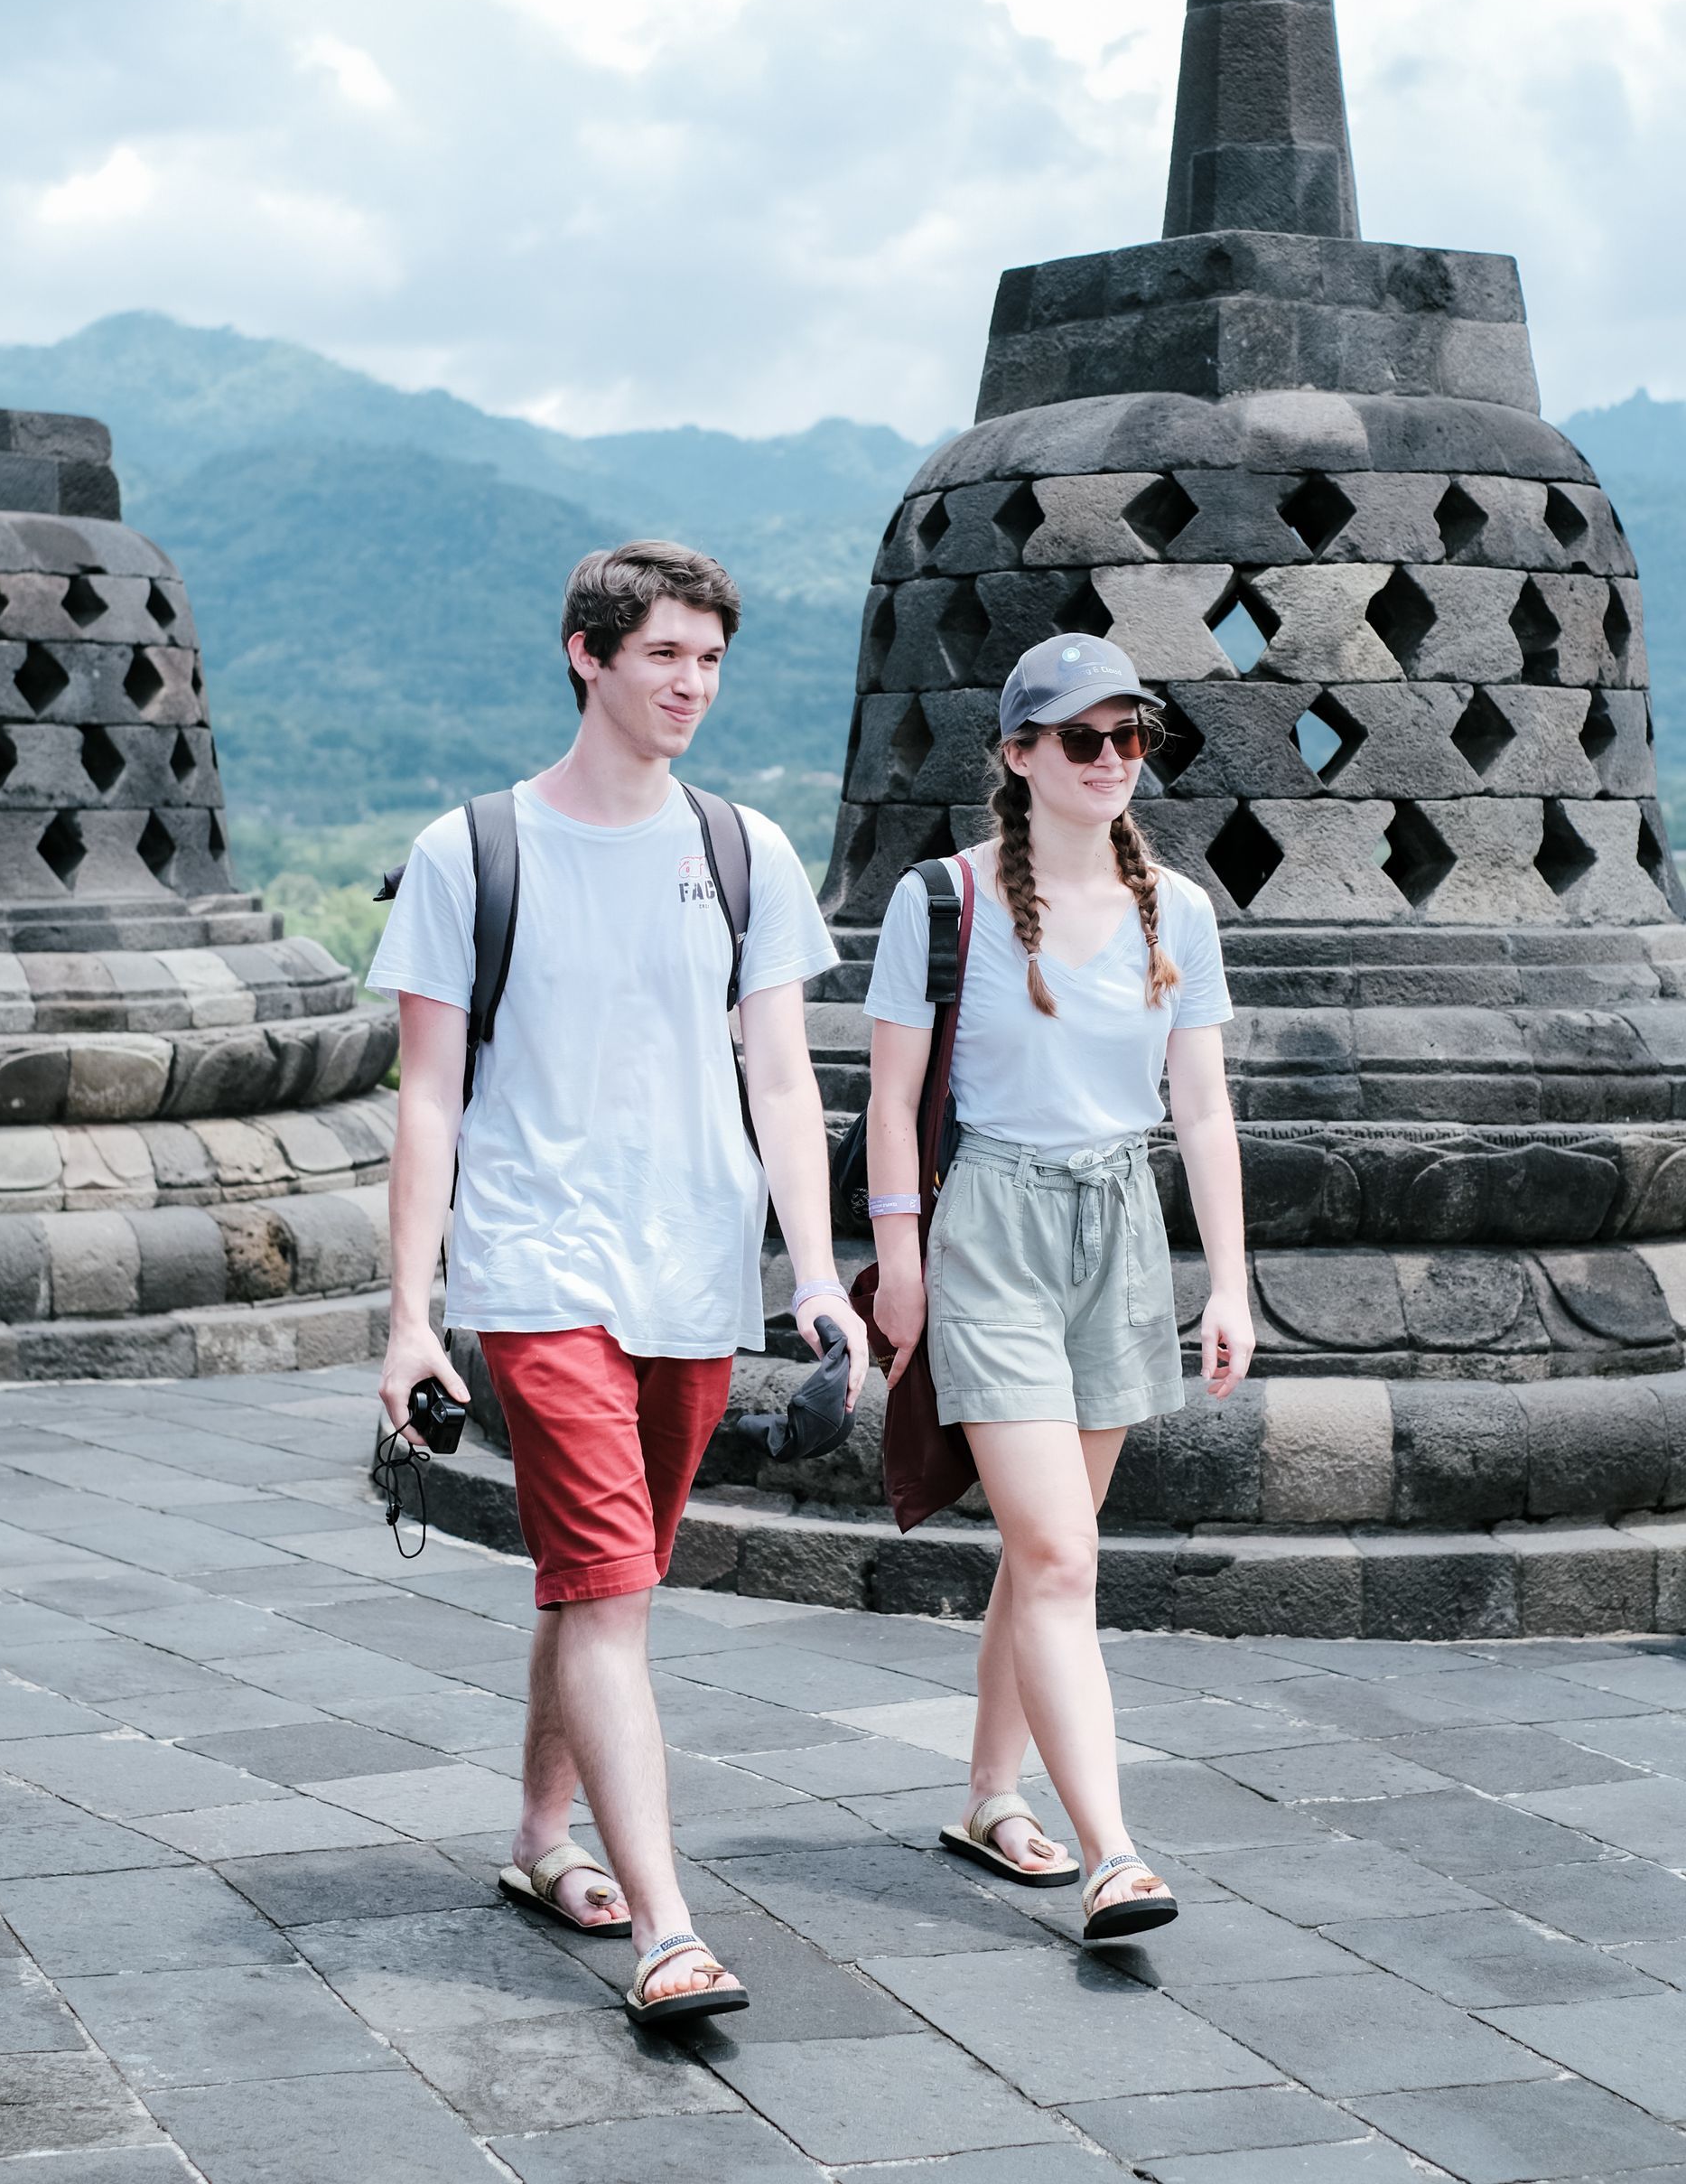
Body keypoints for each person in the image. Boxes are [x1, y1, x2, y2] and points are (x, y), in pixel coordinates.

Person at [371, 539, 866, 2030]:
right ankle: (667, 1929)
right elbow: (428, 1103)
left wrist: (820, 1276)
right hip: (536, 1270)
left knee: (605, 1586)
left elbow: (782, 1078)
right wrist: (409, 1315)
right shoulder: (474, 853)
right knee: (613, 1592)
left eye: (710, 660)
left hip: (692, 1270)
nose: (691, 685)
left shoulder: (742, 851)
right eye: (663, 655)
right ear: (587, 654)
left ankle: (539, 1840)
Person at [863, 631, 1253, 1943]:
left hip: (1121, 1225)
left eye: (1129, 737)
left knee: (1044, 1561)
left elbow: (1200, 1109)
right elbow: (893, 1099)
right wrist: (900, 1265)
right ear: (1019, 755)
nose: (1109, 761)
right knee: (1060, 1552)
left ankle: (988, 1796)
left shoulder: (1177, 912)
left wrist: (1232, 1286)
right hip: (992, 1229)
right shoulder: (943, 901)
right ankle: (1112, 1854)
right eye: (1080, 739)